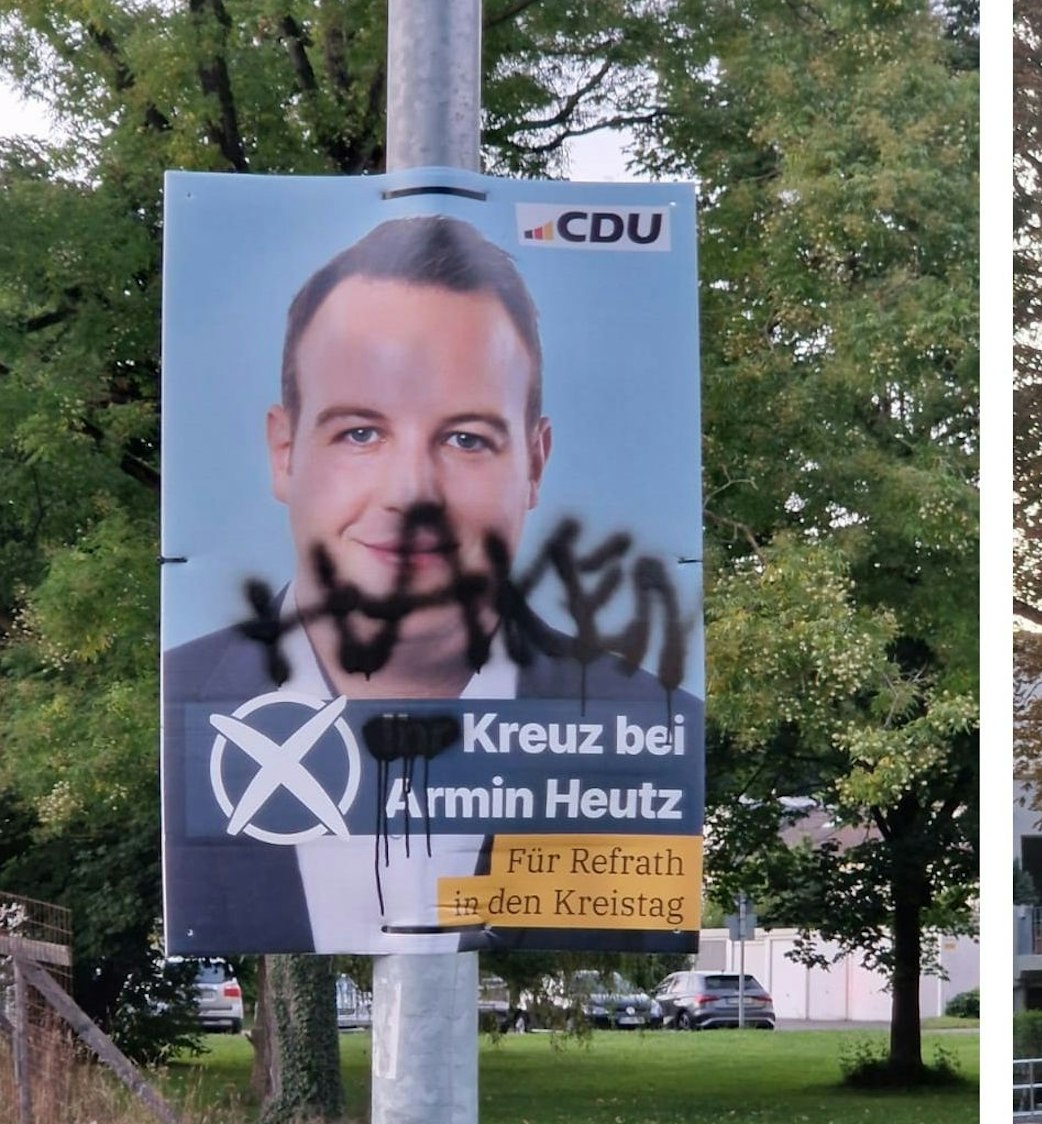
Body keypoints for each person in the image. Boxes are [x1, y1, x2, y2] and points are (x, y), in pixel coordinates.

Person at [163, 216, 696, 953]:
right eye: (359, 432)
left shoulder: (648, 730)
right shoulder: (182, 704)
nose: (411, 493)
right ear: (284, 453)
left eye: (466, 438)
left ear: (535, 465)